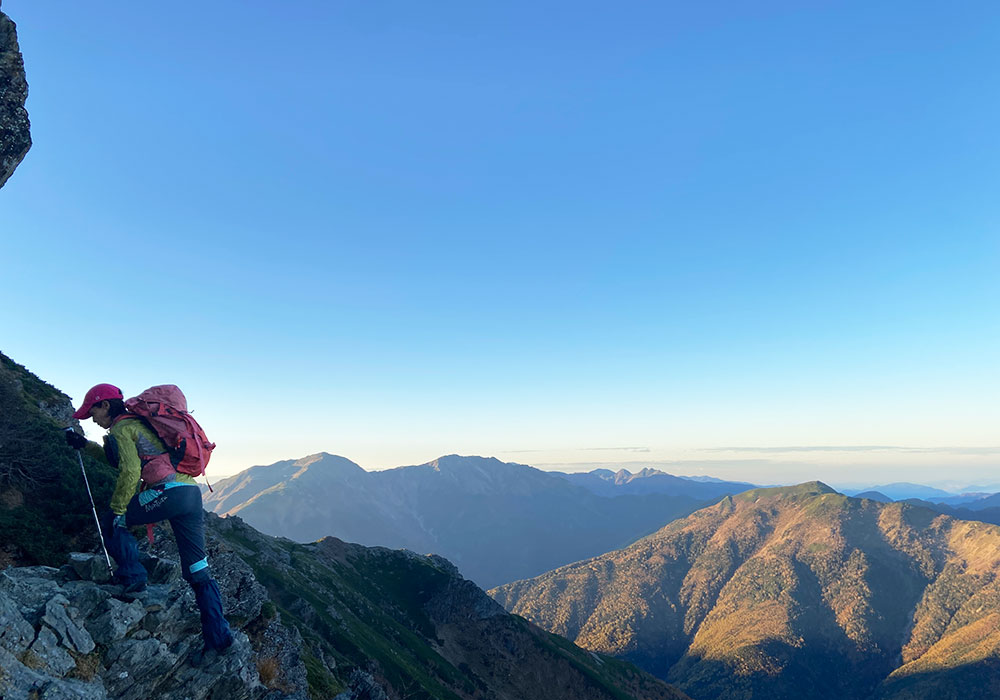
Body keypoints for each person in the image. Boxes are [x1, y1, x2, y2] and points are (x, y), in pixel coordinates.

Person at [65, 383, 233, 665]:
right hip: (190, 495)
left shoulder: (121, 429)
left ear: (105, 405)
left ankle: (133, 581)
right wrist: (86, 446)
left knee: (111, 521)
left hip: (168, 494)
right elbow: (123, 461)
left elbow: (130, 471)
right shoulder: (140, 426)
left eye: (92, 411)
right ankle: (220, 640)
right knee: (198, 571)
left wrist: (118, 509)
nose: (92, 419)